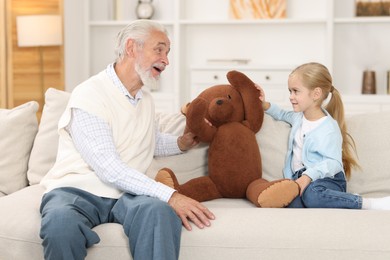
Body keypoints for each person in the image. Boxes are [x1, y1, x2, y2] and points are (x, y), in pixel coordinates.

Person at [39, 20, 215, 260]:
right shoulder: (90, 94)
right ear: (132, 48)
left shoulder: (146, 100)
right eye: (159, 49)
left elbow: (146, 140)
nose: (166, 60)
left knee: (158, 212)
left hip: (127, 193)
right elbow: (109, 168)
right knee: (60, 225)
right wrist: (171, 195)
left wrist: (180, 144)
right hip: (77, 190)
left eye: (168, 52)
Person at [257, 62, 390, 209]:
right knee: (291, 203)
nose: (291, 96)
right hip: (299, 178)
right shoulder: (297, 118)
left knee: (312, 195)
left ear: (316, 94)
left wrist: (308, 176)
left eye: (296, 91)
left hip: (327, 180)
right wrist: (263, 104)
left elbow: (334, 163)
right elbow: (281, 114)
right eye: (290, 91)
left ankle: (364, 203)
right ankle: (337, 200)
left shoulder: (328, 128)